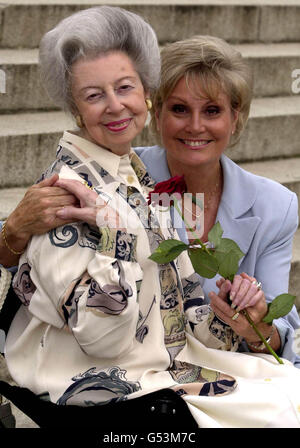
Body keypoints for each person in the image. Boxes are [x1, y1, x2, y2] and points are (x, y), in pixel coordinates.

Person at [1, 25, 300, 428]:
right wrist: (15, 228)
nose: (195, 126)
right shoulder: (103, 176)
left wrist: (254, 320)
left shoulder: (272, 204)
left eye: (212, 111)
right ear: (157, 110)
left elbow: (277, 332)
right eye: (179, 109)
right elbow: (46, 271)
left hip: (193, 349)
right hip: (115, 370)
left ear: (237, 118)